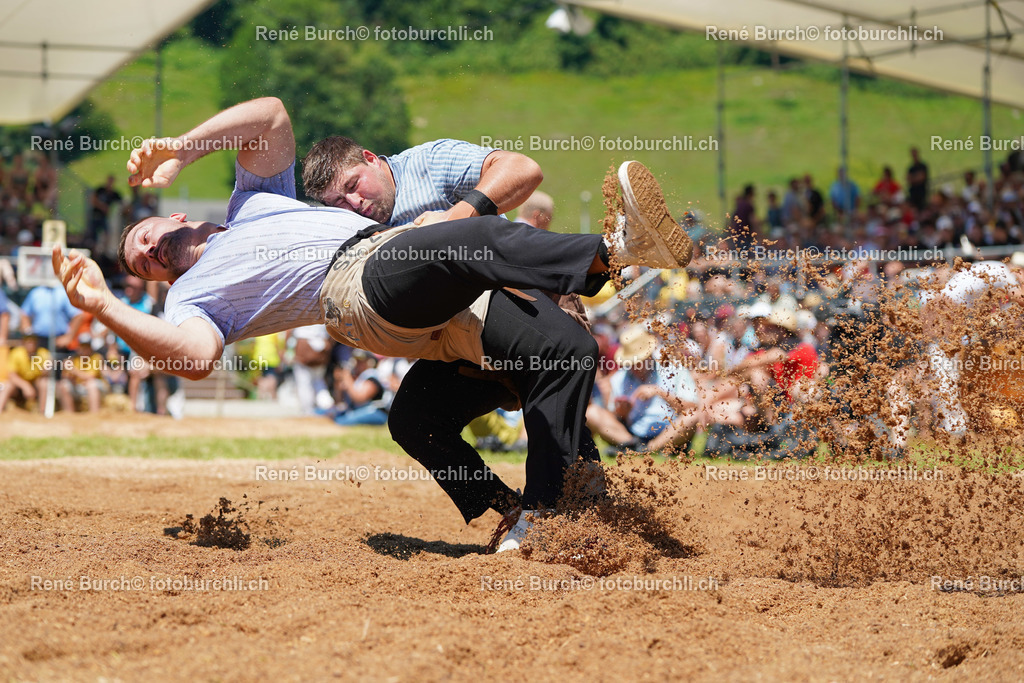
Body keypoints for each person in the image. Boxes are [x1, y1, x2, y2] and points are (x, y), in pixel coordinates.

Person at [53, 97, 694, 551]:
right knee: (456, 235)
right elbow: (191, 356)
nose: (144, 250)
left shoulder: (252, 201)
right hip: (358, 286)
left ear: (167, 218)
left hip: (427, 295)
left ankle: (542, 516)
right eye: (137, 261)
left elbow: (271, 113)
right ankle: (611, 253)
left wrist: (181, 149)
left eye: (143, 235)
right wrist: (107, 308)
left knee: (565, 350)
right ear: (154, 279)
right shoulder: (190, 297)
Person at [302, 135, 595, 545]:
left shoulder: (427, 162)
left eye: (353, 185)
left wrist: (454, 218)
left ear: (371, 159)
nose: (354, 204)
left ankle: (556, 510)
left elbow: (524, 169)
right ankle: (512, 509)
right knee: (413, 421)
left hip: (522, 304)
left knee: (554, 390)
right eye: (338, 202)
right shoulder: (349, 226)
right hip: (459, 338)